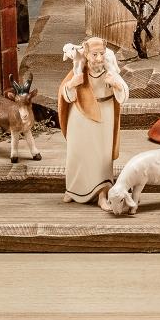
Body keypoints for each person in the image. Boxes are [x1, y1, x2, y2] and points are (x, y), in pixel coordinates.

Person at [57, 36, 127, 207]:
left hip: (104, 115)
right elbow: (67, 96)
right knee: (77, 153)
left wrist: (116, 84)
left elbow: (124, 94)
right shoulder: (78, 71)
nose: (99, 58)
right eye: (95, 54)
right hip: (79, 117)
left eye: (101, 54)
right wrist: (72, 84)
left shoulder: (110, 71)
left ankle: (102, 193)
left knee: (101, 156)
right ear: (86, 55)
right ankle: (72, 189)